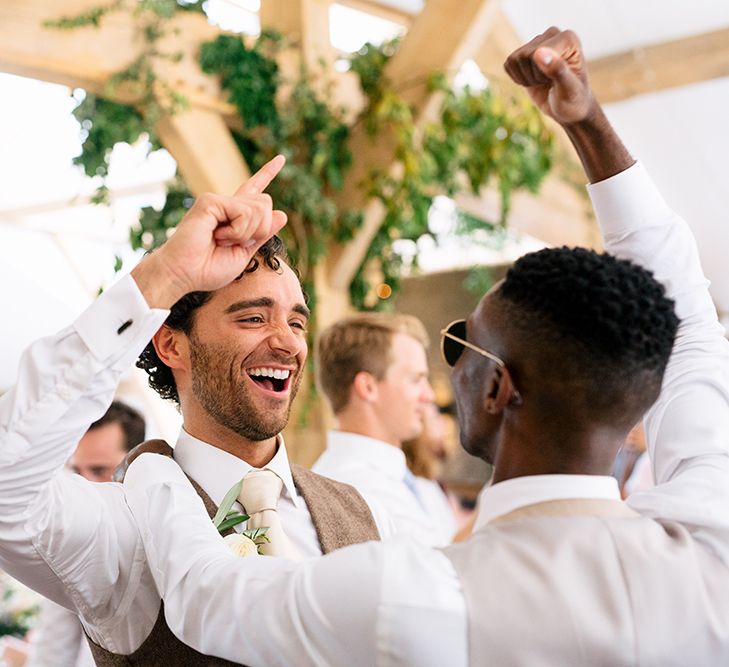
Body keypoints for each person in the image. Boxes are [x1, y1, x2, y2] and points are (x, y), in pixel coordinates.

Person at [121, 28, 729, 666]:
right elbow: (686, 322)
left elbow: (207, 597)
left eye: (460, 343)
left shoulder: (414, 597)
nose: (448, 375)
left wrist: (157, 470)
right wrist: (588, 124)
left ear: (498, 387)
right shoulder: (710, 540)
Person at [0, 155, 387, 665]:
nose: (287, 343)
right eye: (253, 317)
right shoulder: (125, 525)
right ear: (171, 346)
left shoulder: (355, 509)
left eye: (297, 323)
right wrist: (165, 275)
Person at [26, 402, 146, 667]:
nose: (86, 487)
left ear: (137, 462)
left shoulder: (170, 523)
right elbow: (53, 649)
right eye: (77, 472)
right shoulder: (73, 543)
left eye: (100, 471)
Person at [311, 313, 445, 544]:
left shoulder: (400, 476)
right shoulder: (353, 491)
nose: (429, 395)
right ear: (368, 387)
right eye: (416, 380)